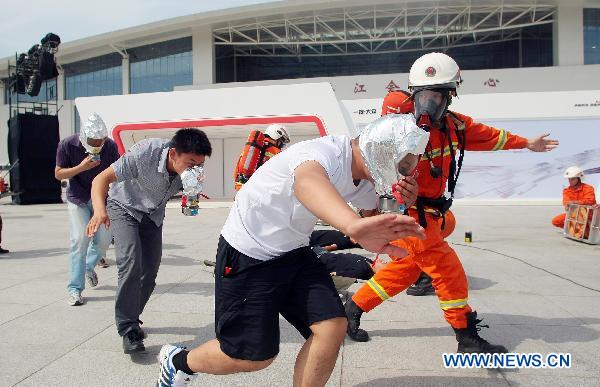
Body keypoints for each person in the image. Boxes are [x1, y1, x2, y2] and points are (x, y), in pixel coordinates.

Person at [155, 115, 429, 386]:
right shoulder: (325, 154)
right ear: (379, 151)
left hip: (294, 250)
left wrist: (402, 200)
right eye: (402, 165)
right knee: (253, 357)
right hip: (250, 252)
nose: (404, 172)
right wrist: (353, 226)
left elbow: (374, 211)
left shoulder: (365, 175)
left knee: (332, 327)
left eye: (408, 167)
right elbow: (307, 182)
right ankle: (178, 362)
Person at [345, 52, 559, 354]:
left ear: (450, 97)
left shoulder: (456, 127)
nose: (428, 105)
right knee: (448, 270)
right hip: (409, 215)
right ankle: (466, 335)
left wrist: (526, 143)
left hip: (433, 211)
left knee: (406, 269)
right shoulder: (396, 133)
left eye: (437, 97)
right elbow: (375, 173)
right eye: (423, 97)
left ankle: (352, 308)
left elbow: (490, 137)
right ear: (413, 95)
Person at [86, 128, 212, 354]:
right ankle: (128, 328)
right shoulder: (145, 153)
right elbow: (100, 179)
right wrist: (99, 210)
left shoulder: (191, 171)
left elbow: (188, 201)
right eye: (191, 163)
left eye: (200, 164)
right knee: (130, 262)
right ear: (173, 154)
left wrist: (191, 195)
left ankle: (132, 316)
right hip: (124, 206)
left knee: (150, 272)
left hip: (152, 214)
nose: (196, 168)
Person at [55, 113, 120, 306]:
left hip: (102, 198)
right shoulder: (67, 144)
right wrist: (81, 167)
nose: (97, 143)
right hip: (79, 198)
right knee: (79, 240)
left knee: (103, 241)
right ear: (83, 137)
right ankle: (75, 289)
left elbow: (117, 171)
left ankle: (88, 267)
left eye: (100, 140)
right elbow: (59, 174)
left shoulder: (110, 146)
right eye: (93, 140)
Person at [234, 123, 290, 191]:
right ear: (276, 136)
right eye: (282, 143)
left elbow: (237, 170)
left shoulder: (251, 148)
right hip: (261, 190)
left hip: (242, 187)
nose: (281, 146)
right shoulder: (275, 151)